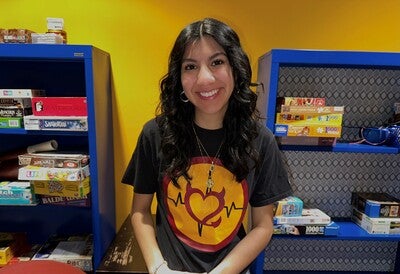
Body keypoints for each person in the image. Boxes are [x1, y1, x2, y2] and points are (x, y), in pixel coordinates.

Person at [122, 17, 292, 274]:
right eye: (190, 66)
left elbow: (263, 226)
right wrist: (158, 268)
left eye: (217, 62)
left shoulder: (260, 140)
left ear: (235, 67)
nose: (204, 78)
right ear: (179, 78)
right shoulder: (155, 133)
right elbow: (140, 212)